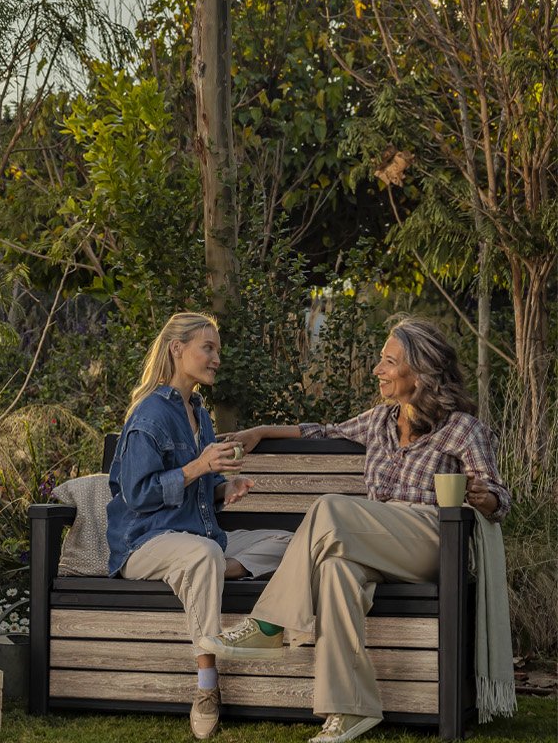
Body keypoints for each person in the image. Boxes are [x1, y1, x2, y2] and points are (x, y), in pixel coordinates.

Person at [203, 316, 512, 743]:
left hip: (431, 540)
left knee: (330, 508)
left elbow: (500, 499)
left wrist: (483, 496)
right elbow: (321, 431)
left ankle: (270, 625)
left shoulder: (463, 428)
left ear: (420, 371)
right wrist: (259, 431)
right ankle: (350, 709)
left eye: (389, 361)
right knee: (336, 571)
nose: (377, 370)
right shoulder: (379, 421)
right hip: (374, 539)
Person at [106, 312, 287, 740]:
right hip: (145, 543)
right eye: (208, 348)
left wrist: (224, 488)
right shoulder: (149, 415)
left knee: (289, 542)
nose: (217, 358)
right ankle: (207, 686)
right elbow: (138, 495)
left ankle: (206, 572)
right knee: (203, 554)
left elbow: (197, 487)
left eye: (217, 350)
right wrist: (199, 467)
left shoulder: (199, 414)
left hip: (195, 537)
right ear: (177, 348)